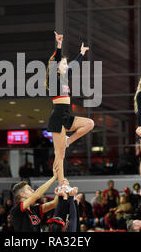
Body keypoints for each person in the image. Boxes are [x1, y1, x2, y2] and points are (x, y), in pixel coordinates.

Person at [46, 31, 94, 190]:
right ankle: (61, 184)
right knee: (60, 155)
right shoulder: (54, 78)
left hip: (67, 115)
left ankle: (68, 141)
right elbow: (55, 61)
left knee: (89, 123)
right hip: (58, 117)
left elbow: (75, 66)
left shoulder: (65, 77)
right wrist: (59, 44)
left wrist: (81, 54)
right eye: (64, 64)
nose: (66, 66)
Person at [10, 165, 59, 232]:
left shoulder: (34, 209)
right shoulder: (16, 210)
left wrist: (61, 187)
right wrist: (54, 177)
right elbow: (37, 195)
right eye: (29, 189)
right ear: (22, 194)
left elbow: (54, 203)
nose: (33, 190)